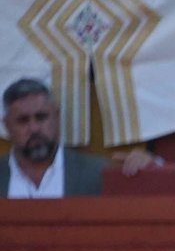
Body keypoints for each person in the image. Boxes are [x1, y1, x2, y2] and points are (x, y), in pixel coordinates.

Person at [3, 78, 158, 198]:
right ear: (6, 126)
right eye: (23, 120)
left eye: (41, 117)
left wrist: (151, 170)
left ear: (57, 117)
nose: (34, 128)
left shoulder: (97, 173)